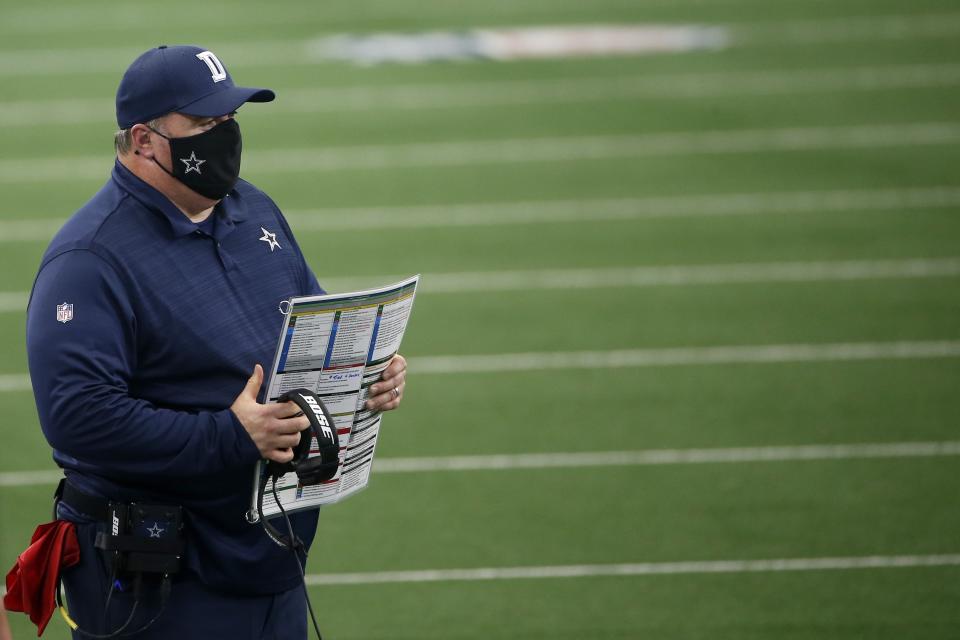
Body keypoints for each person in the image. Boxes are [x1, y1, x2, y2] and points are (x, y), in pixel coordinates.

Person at [24, 45, 407, 639]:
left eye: (230, 119)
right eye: (203, 125)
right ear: (144, 141)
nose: (224, 135)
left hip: (267, 549)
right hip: (158, 575)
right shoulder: (89, 259)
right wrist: (230, 436)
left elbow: (308, 330)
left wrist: (364, 371)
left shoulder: (251, 207)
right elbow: (78, 418)